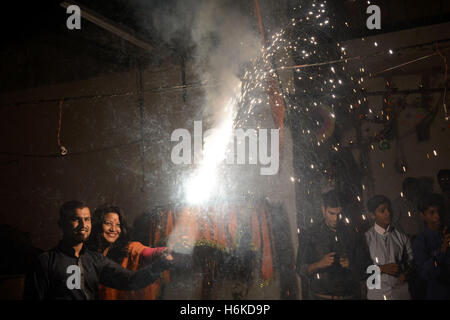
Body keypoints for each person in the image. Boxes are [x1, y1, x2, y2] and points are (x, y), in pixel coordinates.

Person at [24, 201, 172, 300]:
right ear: (61, 224)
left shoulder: (95, 260)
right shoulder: (45, 261)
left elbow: (130, 281)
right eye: (76, 219)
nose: (83, 225)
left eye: (87, 219)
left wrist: (160, 264)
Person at [296, 190, 372, 300]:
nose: (336, 219)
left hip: (350, 296)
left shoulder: (353, 234)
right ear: (323, 209)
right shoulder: (311, 234)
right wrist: (318, 264)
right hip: (320, 297)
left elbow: (368, 268)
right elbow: (300, 269)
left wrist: (351, 264)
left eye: (339, 214)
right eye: (331, 213)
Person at [87, 204, 172, 299]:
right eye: (108, 223)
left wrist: (162, 252)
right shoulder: (86, 255)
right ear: (97, 225)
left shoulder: (128, 248)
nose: (113, 229)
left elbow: (144, 252)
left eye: (118, 225)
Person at [364, 195, 413, 300]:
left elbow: (411, 259)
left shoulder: (400, 235)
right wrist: (381, 268)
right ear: (372, 215)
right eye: (382, 211)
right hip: (377, 293)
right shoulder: (366, 238)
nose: (388, 213)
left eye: (389, 209)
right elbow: (360, 268)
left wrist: (406, 272)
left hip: (400, 292)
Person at [412, 193, 450, 300]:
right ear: (422, 215)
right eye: (431, 212)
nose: (437, 216)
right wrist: (441, 252)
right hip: (438, 293)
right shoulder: (421, 241)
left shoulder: (446, 232)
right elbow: (425, 272)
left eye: (439, 211)